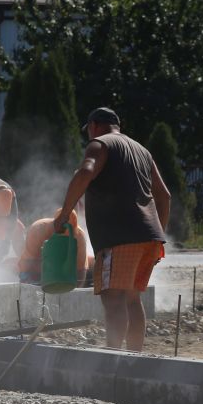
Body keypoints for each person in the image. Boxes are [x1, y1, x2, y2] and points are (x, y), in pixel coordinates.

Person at [54, 107, 170, 351]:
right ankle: (134, 358)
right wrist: (159, 236)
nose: (89, 136)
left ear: (95, 125)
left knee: (113, 298)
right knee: (132, 298)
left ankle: (114, 358)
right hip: (149, 237)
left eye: (89, 131)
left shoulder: (100, 144)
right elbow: (165, 195)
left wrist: (64, 214)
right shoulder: (142, 151)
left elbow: (85, 172)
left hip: (119, 236)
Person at [16, 208, 92, 287]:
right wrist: (54, 267)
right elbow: (28, 264)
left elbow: (81, 271)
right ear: (56, 223)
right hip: (33, 272)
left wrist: (74, 291)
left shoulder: (79, 237)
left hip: (65, 275)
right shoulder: (38, 230)